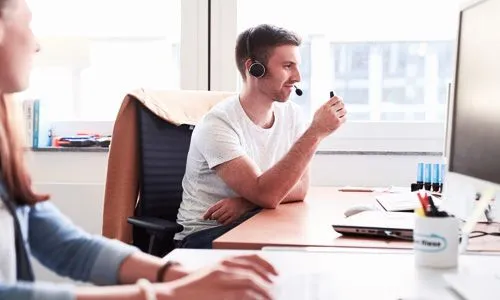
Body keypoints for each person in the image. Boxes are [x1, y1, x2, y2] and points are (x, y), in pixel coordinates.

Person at [0, 0, 278, 299]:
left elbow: (67, 247)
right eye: (27, 24)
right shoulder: (219, 124)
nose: (36, 44)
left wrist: (182, 275)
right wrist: (164, 293)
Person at [175, 24, 347, 249]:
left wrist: (247, 203)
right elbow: (267, 195)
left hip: (254, 223)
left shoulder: (291, 114)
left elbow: (301, 187)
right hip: (205, 236)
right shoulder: (218, 124)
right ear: (254, 68)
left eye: (297, 67)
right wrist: (315, 132)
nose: (297, 77)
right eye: (287, 66)